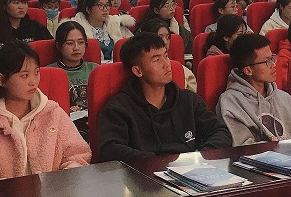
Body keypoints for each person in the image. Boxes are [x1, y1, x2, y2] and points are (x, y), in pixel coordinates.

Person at [0, 41, 90, 185]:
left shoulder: (53, 113)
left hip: (54, 195)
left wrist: (63, 180)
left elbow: (78, 154)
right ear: (1, 79)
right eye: (24, 75)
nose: (33, 82)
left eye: (36, 73)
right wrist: (7, 192)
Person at [97, 33, 231, 160]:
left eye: (166, 56)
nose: (166, 64)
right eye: (156, 60)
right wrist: (158, 163)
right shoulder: (118, 109)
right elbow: (110, 149)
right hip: (144, 173)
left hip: (190, 169)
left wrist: (201, 157)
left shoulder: (189, 100)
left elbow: (220, 132)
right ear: (138, 71)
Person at [216, 34, 291, 146]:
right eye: (266, 61)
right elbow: (243, 146)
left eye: (272, 58)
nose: (273, 65)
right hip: (257, 156)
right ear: (248, 70)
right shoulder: (231, 102)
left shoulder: (284, 98)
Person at [69, 0, 135, 62]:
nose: (105, 9)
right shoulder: (76, 28)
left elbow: (133, 46)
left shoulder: (115, 23)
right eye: (100, 5)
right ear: (88, 10)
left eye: (107, 5)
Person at [46, 21, 98, 113]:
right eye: (70, 43)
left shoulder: (95, 70)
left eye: (81, 42)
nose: (76, 48)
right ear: (59, 46)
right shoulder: (48, 72)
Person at [137, 18, 197, 93]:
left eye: (168, 37)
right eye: (160, 37)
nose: (165, 42)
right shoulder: (140, 67)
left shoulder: (183, 72)